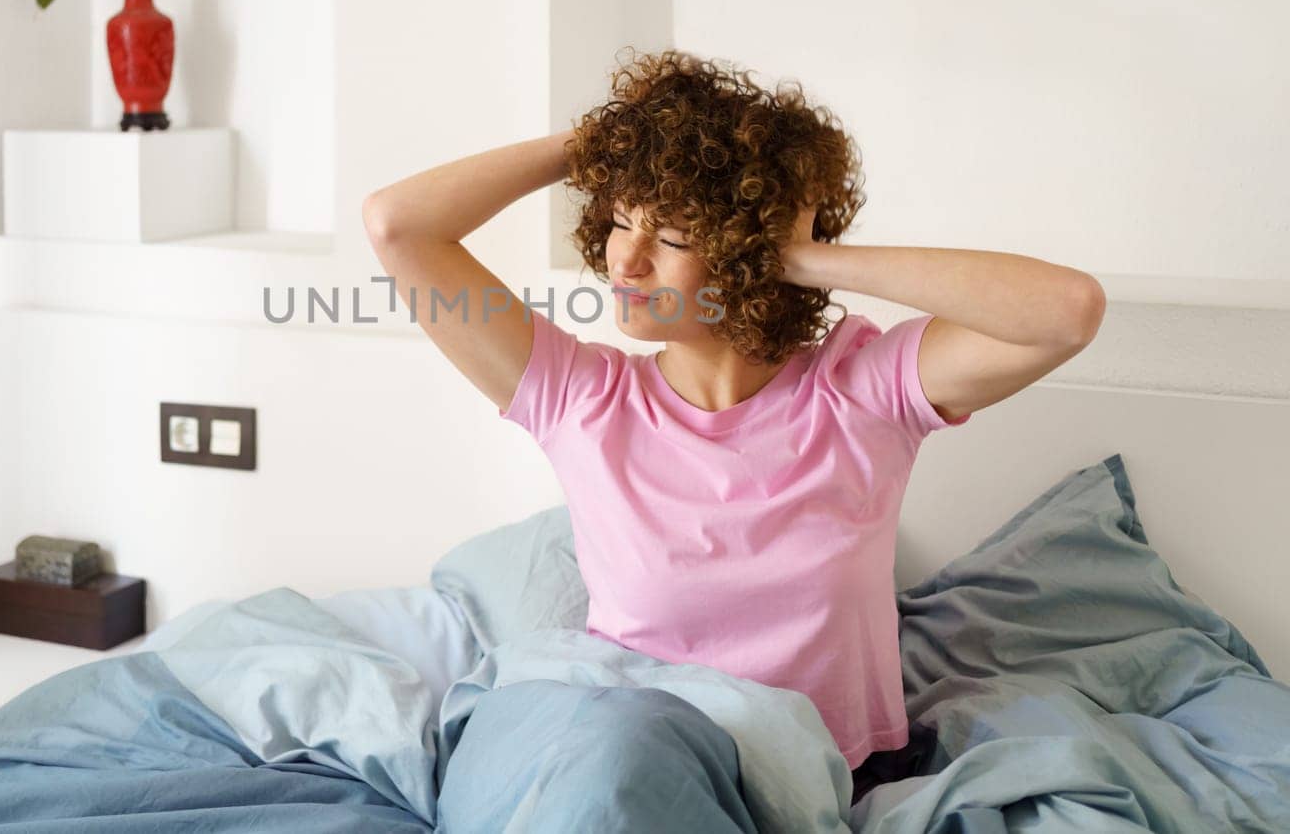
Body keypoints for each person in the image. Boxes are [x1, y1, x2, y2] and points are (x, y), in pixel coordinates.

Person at [362, 48, 1105, 810]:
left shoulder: (860, 393)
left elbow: (1067, 311)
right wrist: (606, 141)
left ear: (748, 255)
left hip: (802, 777)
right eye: (620, 219)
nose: (628, 256)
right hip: (622, 756)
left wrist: (809, 258)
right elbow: (396, 225)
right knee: (615, 760)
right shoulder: (582, 400)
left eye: (674, 236)